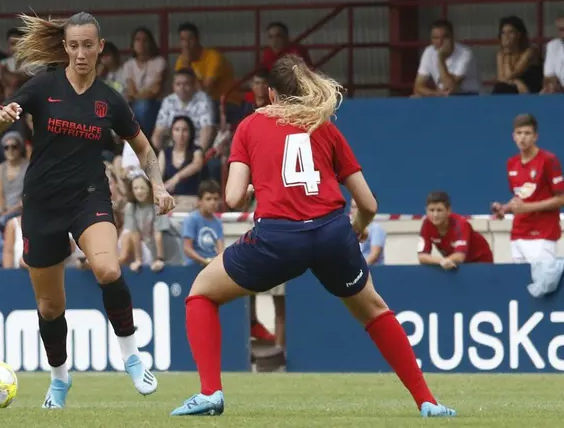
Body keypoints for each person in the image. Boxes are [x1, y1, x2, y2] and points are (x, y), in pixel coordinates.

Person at [170, 54, 455, 418]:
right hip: (332, 234)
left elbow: (232, 198)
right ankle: (427, 401)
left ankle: (210, 393)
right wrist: (359, 228)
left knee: (201, 294)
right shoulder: (325, 127)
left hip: (278, 239)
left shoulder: (250, 126)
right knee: (375, 311)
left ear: (269, 94)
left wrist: (259, 185)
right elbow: (367, 201)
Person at [0, 12, 175, 409]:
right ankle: (60, 379)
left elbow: (143, 149)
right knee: (51, 306)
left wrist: (157, 184)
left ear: (100, 48)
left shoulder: (109, 99)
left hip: (90, 196)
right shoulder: (41, 87)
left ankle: (132, 357)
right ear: (65, 48)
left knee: (108, 268)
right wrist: (0, 120)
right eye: (74, 45)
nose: (82, 53)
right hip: (42, 204)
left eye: (89, 45)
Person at [492, 114, 564, 263]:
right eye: (519, 133)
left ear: (535, 136)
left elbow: (561, 199)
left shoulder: (549, 160)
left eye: (527, 133)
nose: (522, 138)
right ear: (513, 136)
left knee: (544, 284)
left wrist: (527, 207)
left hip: (542, 234)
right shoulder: (511, 163)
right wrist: (504, 208)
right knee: (521, 284)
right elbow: (521, 198)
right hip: (518, 233)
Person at [418, 191, 493, 267]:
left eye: (439, 210)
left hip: (480, 260)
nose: (435, 215)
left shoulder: (461, 224)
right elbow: (421, 256)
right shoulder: (426, 224)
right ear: (426, 210)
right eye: (431, 210)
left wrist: (445, 261)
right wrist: (442, 261)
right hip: (454, 262)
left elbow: (460, 256)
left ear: (449, 210)